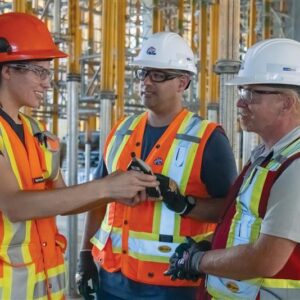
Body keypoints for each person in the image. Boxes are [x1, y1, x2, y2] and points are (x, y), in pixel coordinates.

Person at [0, 12, 159, 300]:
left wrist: (114, 192)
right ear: (7, 70)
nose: (48, 84)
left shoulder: (36, 133)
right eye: (40, 71)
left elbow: (61, 200)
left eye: (49, 73)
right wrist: (105, 186)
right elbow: (14, 206)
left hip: (45, 287)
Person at [77, 31, 237, 300]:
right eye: (143, 73)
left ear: (182, 82)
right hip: (112, 277)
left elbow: (231, 212)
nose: (146, 82)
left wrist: (184, 203)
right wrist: (84, 255)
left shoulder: (208, 139)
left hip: (175, 282)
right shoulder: (121, 131)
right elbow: (98, 197)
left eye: (159, 75)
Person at [164, 38, 300, 300]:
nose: (240, 103)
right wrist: (212, 244)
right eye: (242, 92)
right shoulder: (267, 155)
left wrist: (199, 261)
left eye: (251, 93)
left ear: (286, 102)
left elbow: (266, 259)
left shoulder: (295, 166)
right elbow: (244, 223)